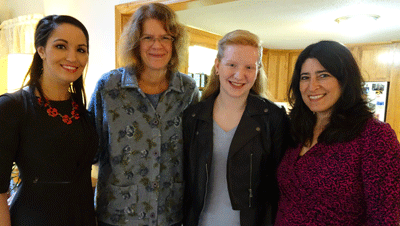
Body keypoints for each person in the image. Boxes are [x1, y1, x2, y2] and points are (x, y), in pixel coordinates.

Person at [89, 3, 199, 226]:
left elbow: (193, 153)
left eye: (165, 37)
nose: (157, 45)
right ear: (136, 43)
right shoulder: (109, 87)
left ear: (175, 43)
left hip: (169, 215)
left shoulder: (187, 90)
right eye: (147, 37)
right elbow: (90, 148)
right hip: (118, 216)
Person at [275, 40, 400, 225]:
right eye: (305, 77)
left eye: (323, 75)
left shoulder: (374, 136)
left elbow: (385, 218)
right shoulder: (295, 129)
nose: (312, 86)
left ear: (345, 80)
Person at [182, 30, 291, 226]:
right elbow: (186, 181)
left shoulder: (273, 118)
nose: (240, 75)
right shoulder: (194, 117)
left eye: (249, 67)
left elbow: (280, 186)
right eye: (231, 64)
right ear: (217, 65)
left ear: (257, 71)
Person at [0, 15, 98, 225]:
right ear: (41, 50)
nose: (72, 57)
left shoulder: (83, 112)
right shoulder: (12, 107)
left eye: (81, 49)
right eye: (61, 46)